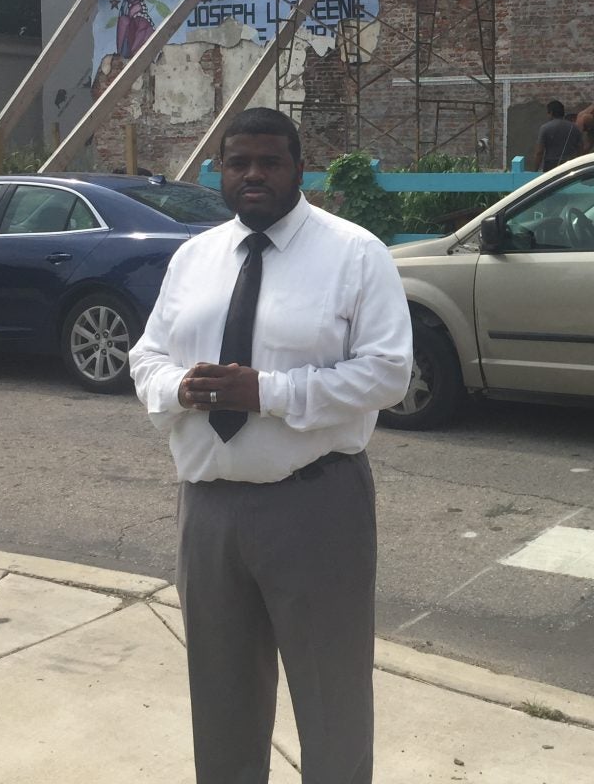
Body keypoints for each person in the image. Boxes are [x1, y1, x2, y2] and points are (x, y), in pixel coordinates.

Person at [129, 107, 412, 784]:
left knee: (331, 702)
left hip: (315, 507)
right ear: (219, 171)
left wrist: (269, 393)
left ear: (298, 169)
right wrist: (180, 389)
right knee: (221, 701)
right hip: (209, 511)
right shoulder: (193, 259)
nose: (253, 175)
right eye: (238, 162)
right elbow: (146, 357)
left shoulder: (354, 253)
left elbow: (388, 373)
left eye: (269, 162)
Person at [530, 99, 583, 171]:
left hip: (550, 165)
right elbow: (580, 149)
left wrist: (535, 170)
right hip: (570, 165)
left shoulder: (545, 128)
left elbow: (539, 152)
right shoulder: (574, 128)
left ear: (551, 113)